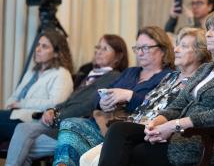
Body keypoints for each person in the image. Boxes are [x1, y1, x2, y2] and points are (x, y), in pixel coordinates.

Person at [98, 10, 214, 166]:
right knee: (119, 130)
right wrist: (155, 124)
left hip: (211, 141)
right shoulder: (206, 69)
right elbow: (178, 105)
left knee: (133, 152)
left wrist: (172, 126)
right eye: (208, 29)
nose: (209, 34)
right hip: (182, 134)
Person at [79, 27, 212, 166]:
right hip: (136, 124)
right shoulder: (170, 76)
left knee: (114, 135)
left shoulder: (199, 81)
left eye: (183, 46)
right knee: (85, 159)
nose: (176, 50)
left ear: (200, 52)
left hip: (156, 129)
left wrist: (152, 123)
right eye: (177, 45)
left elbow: (183, 114)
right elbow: (148, 103)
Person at [53, 26, 175, 166]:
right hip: (104, 123)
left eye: (145, 48)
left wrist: (130, 96)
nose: (140, 53)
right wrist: (102, 102)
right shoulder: (131, 72)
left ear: (163, 49)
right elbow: (97, 95)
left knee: (71, 128)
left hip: (129, 130)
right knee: (69, 128)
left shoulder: (168, 76)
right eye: (137, 48)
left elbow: (157, 107)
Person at [4, 34, 129, 166]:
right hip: (63, 121)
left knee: (23, 133)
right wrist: (52, 110)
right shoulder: (91, 74)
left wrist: (58, 116)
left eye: (105, 49)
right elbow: (69, 101)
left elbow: (89, 105)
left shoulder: (114, 76)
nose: (98, 51)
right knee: (23, 146)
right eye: (98, 47)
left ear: (118, 56)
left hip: (79, 127)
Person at [0, 29, 74, 144]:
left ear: (56, 53)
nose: (38, 49)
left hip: (36, 122)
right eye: (38, 45)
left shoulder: (61, 74)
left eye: (44, 46)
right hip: (16, 116)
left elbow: (56, 105)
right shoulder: (32, 71)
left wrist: (22, 103)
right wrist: (10, 104)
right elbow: (15, 96)